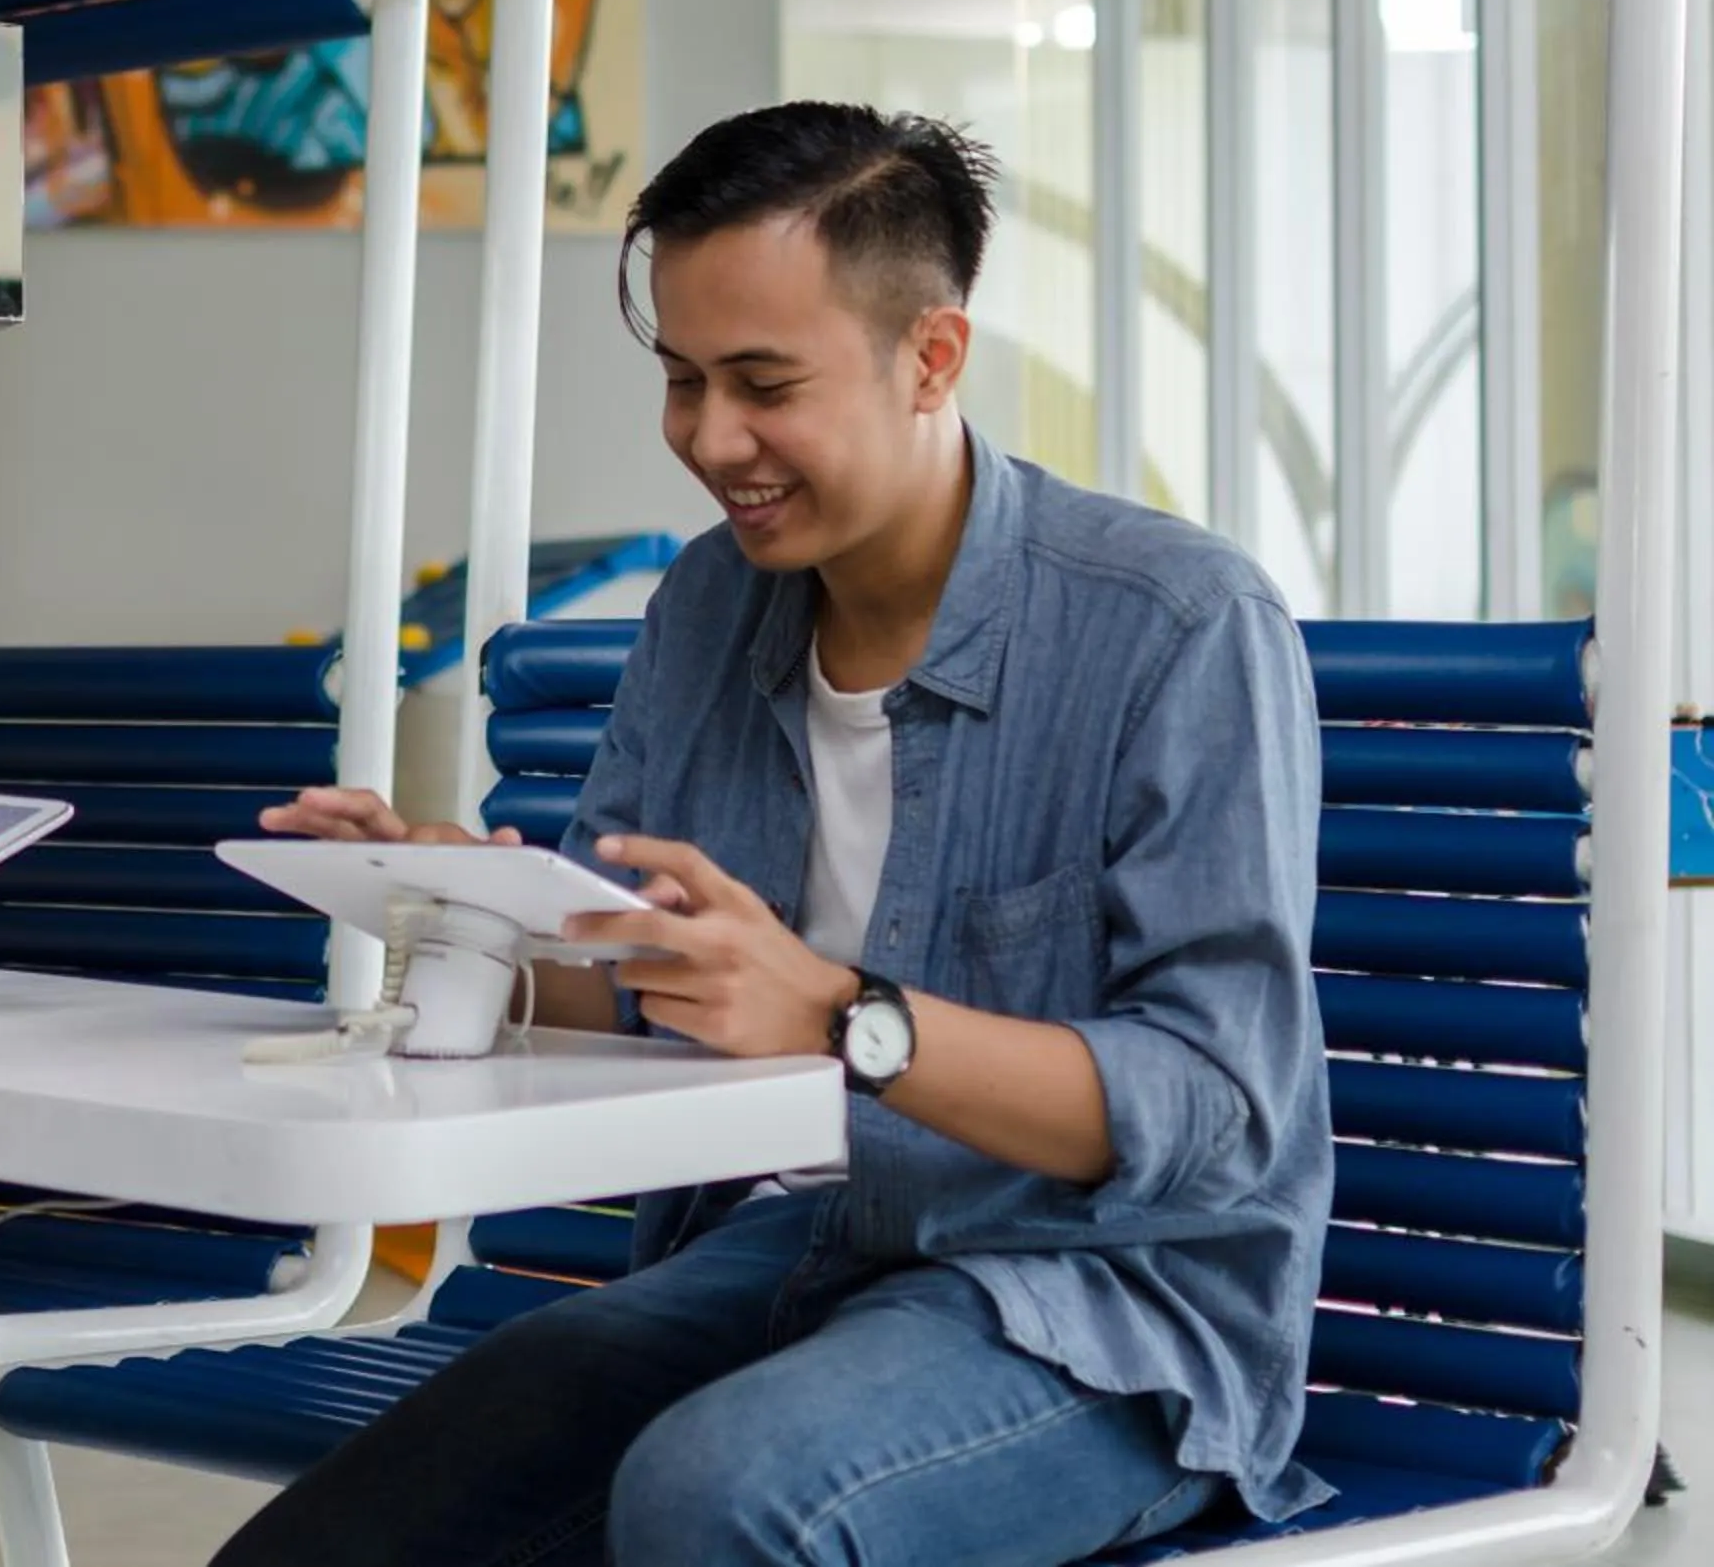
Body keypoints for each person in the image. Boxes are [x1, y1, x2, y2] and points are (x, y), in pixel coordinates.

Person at [227, 103, 1331, 1567]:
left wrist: (840, 1016)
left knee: (720, 1499)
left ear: (931, 355)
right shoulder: (707, 605)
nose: (709, 438)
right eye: (682, 380)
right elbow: (626, 982)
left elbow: (1214, 1105)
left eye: (763, 383)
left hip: (1104, 1308)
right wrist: (468, 911)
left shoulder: (1175, 625)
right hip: (786, 1251)